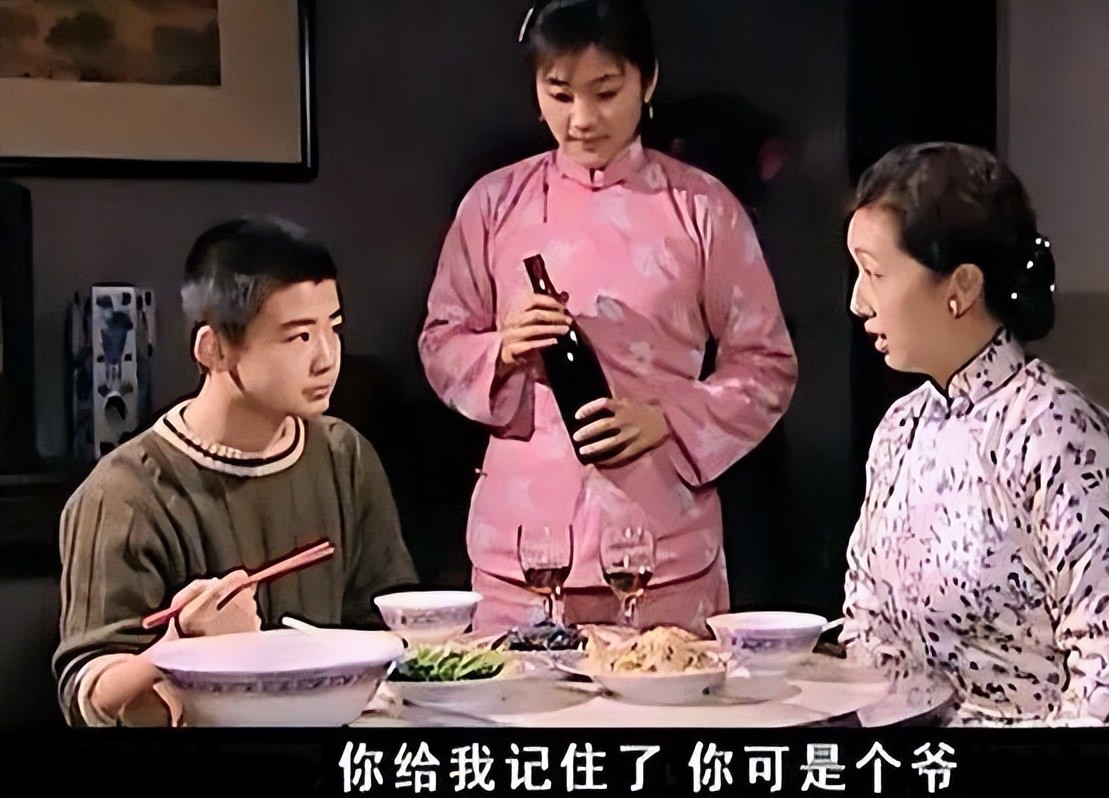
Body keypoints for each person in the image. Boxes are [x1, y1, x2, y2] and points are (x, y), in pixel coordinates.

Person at [419, 0, 797, 632]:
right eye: (560, 94)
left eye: (605, 92)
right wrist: (503, 350)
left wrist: (669, 418)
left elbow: (767, 364)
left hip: (661, 549)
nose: (582, 119)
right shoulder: (494, 204)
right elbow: (441, 340)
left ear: (648, 82)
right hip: (523, 549)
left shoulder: (702, 208)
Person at [840, 141, 1109, 726]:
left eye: (874, 273)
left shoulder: (1061, 440)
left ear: (962, 287)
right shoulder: (901, 429)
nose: (857, 302)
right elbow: (867, 628)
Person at [54, 215, 419, 727]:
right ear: (214, 348)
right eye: (298, 337)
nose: (327, 358)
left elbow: (384, 627)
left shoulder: (344, 455)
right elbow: (92, 696)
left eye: (333, 329)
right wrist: (184, 649)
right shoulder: (124, 493)